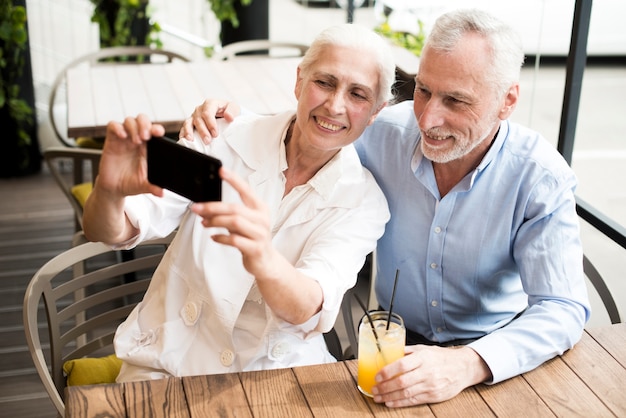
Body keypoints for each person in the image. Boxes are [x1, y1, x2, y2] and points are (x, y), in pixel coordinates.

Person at [180, 9, 591, 408]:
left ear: (507, 101)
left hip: (492, 358)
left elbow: (563, 309)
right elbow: (314, 128)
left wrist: (469, 364)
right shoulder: (385, 134)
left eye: (455, 101)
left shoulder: (539, 177)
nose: (428, 118)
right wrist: (235, 120)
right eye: (424, 90)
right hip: (390, 345)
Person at [81, 23, 396, 382]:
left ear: (375, 112)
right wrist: (108, 192)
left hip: (279, 376)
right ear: (299, 81)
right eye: (324, 82)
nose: (335, 105)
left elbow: (307, 306)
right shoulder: (222, 136)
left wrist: (262, 256)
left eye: (358, 95)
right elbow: (112, 230)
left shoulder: (364, 201)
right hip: (170, 365)